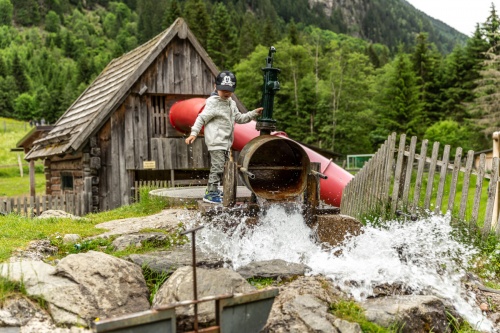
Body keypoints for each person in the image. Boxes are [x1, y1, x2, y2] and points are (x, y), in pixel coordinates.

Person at [185, 70, 263, 204]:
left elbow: (239, 118)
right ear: (216, 87)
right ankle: (210, 194)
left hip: (226, 143)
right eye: (223, 90)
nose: (226, 93)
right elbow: (201, 118)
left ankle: (213, 189)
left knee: (224, 167)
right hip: (216, 141)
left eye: (229, 90)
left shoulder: (231, 103)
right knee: (218, 167)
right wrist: (194, 133)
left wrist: (254, 113)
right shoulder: (213, 102)